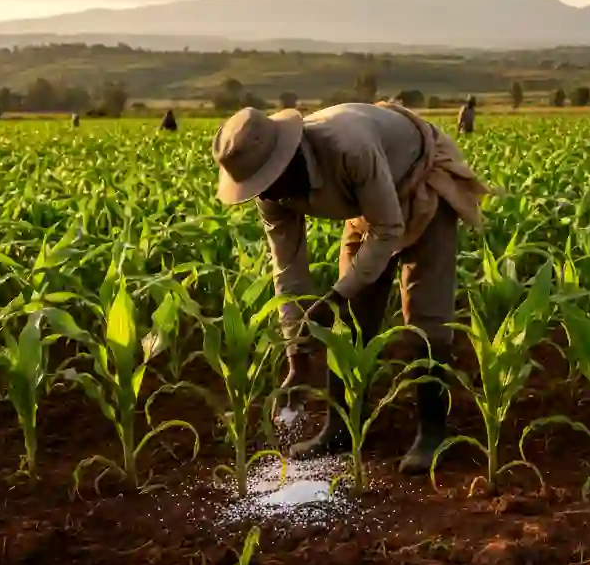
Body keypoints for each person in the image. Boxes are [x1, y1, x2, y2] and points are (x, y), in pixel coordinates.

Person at [210, 102, 490, 474]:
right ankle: (341, 427)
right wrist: (297, 352)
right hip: (370, 205)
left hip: (421, 184)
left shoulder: (348, 148)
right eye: (259, 187)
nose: (268, 193)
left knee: (426, 318)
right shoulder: (272, 196)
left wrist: (337, 295)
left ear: (287, 156)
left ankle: (432, 431)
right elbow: (288, 269)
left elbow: (388, 229)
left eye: (269, 180)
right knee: (351, 324)